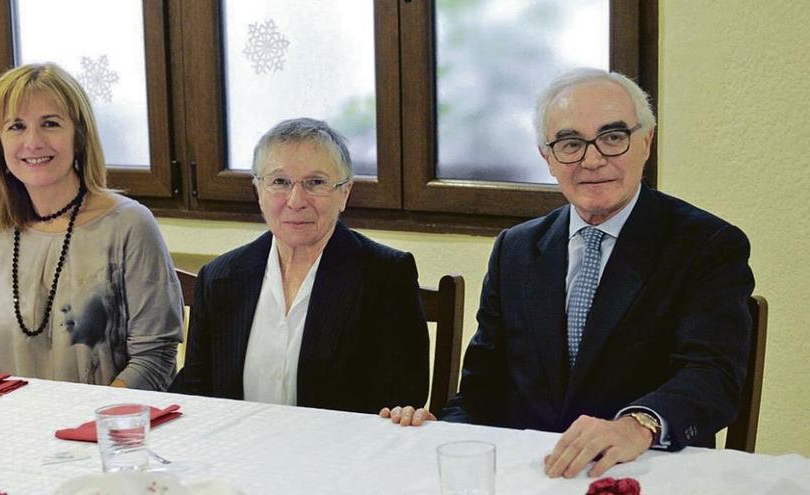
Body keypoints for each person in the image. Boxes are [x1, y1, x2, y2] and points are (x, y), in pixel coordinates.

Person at [381, 68, 754, 478]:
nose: (592, 160)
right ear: (548, 158)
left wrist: (638, 425)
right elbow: (481, 389)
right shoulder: (516, 249)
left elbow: (713, 376)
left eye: (613, 138)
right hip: (531, 474)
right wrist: (440, 431)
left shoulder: (707, 245)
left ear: (646, 142)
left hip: (645, 473)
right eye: (571, 143)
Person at [170, 118, 429, 413]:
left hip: (342, 455)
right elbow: (195, 391)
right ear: (258, 191)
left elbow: (403, 399)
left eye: (315, 183)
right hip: (239, 453)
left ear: (344, 192)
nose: (296, 200)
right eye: (280, 182)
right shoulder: (219, 278)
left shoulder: (385, 275)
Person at [0, 63, 182, 391]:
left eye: (50, 124)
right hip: (13, 429)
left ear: (79, 137)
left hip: (105, 428)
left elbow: (155, 358)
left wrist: (88, 422)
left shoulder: (130, 225)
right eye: (16, 127)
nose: (33, 142)